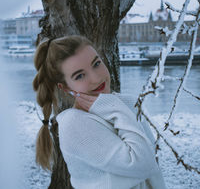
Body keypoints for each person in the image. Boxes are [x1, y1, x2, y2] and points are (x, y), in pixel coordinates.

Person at [33, 35, 167, 189]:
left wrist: (115, 107)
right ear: (66, 88)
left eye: (96, 63)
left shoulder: (124, 104)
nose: (96, 78)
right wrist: (114, 108)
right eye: (80, 76)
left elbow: (154, 172)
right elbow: (144, 164)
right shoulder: (74, 123)